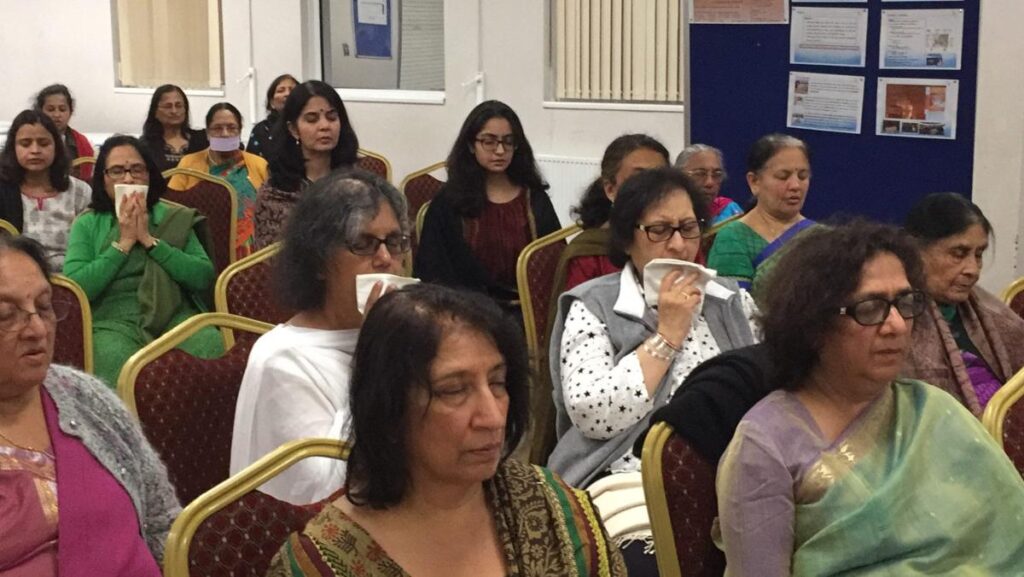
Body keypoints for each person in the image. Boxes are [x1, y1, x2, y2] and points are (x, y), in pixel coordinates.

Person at [716, 221, 1024, 576]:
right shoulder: (765, 446)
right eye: (870, 307)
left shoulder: (934, 410)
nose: (896, 325)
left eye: (905, 302)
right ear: (814, 324)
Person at [266, 283, 627, 576]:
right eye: (453, 391)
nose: (492, 417)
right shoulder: (325, 563)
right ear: (389, 409)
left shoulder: (549, 506)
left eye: (497, 383)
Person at [548, 167, 758, 573]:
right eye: (659, 230)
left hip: (735, 475)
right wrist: (668, 333)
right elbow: (594, 416)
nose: (678, 245)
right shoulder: (594, 305)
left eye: (688, 228)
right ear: (628, 238)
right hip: (629, 477)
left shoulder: (730, 301)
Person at [0, 234, 179, 575]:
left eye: (44, 307)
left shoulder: (82, 395)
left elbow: (162, 521)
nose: (37, 330)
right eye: (6, 315)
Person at [231, 169, 411, 505]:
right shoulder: (282, 361)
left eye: (395, 241)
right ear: (318, 261)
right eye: (363, 244)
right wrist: (376, 355)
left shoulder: (402, 334)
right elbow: (324, 492)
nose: (386, 259)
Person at [63, 135, 223, 387]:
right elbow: (76, 287)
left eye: (136, 169)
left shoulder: (174, 217)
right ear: (103, 179)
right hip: (113, 322)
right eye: (117, 171)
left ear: (149, 175)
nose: (128, 179)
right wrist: (123, 244)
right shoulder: (88, 223)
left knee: (210, 343)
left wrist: (150, 241)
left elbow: (203, 276)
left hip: (174, 315)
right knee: (112, 356)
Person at [414, 100, 560, 311]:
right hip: (465, 312)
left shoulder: (535, 199)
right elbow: (433, 272)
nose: (500, 150)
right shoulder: (448, 202)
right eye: (489, 142)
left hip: (527, 314)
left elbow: (552, 265)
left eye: (508, 142)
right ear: (471, 145)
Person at [902, 192, 1024, 415]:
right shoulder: (893, 321)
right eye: (958, 254)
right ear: (914, 250)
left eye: (979, 255)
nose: (973, 270)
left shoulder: (992, 315)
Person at [253, 80, 360, 249]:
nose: (324, 126)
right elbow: (273, 258)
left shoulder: (358, 185)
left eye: (332, 117)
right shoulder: (275, 194)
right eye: (312, 119)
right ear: (293, 129)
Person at [706, 134, 815, 297]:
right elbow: (732, 308)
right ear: (754, 181)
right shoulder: (733, 239)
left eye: (803, 176)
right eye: (783, 176)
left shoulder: (823, 238)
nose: (795, 185)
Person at [558, 134, 669, 292]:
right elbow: (579, 304)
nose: (651, 188)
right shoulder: (589, 254)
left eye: (660, 178)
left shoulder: (681, 239)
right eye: (638, 178)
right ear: (610, 189)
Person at [168, 102, 269, 258]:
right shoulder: (188, 164)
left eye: (231, 127)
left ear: (240, 131)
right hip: (203, 249)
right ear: (208, 133)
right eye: (217, 128)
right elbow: (172, 207)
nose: (225, 133)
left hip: (252, 254)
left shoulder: (259, 165)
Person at [0, 110, 91, 268]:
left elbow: (90, 245)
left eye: (43, 143)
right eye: (25, 144)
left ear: (57, 147)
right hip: (15, 276)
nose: (35, 150)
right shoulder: (3, 191)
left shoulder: (80, 192)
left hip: (72, 276)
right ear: (13, 148)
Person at [140, 84, 209, 172]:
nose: (174, 111)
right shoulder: (145, 146)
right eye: (168, 106)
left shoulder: (203, 139)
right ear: (155, 112)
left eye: (178, 106)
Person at [34, 84, 95, 181]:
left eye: (62, 109)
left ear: (70, 112)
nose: (57, 115)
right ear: (40, 111)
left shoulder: (82, 143)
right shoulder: (30, 141)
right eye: (50, 109)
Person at [675, 143, 743, 227]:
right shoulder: (667, 213)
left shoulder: (730, 212)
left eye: (717, 174)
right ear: (678, 176)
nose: (709, 183)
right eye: (700, 174)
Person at [246, 73, 298, 159]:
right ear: (272, 103)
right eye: (281, 90)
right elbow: (253, 163)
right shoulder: (261, 130)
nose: (287, 94)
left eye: (292, 90)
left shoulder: (308, 126)